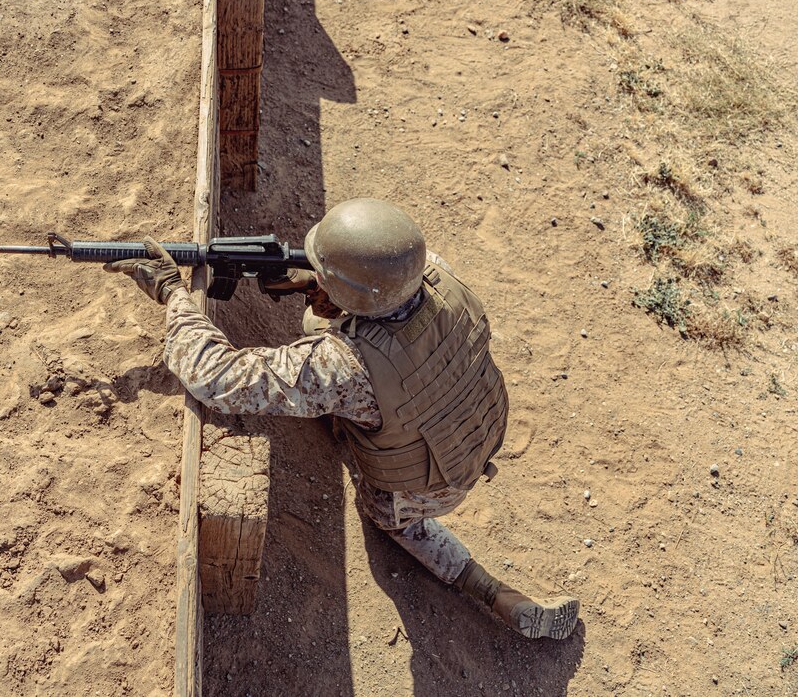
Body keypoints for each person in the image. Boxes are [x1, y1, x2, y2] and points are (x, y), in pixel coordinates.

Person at [103, 198, 579, 640]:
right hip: (478, 430)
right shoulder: (436, 274)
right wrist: (319, 286)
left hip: (427, 487)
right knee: (324, 331)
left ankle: (488, 588)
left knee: (395, 520)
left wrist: (173, 295)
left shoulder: (342, 368)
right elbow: (396, 320)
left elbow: (216, 376)